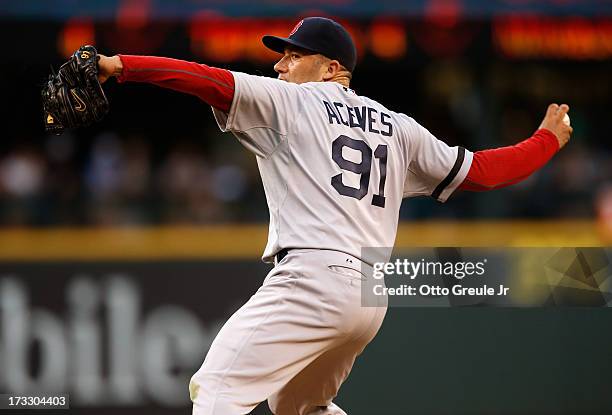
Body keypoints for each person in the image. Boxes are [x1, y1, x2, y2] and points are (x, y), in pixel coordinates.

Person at [96, 16, 572, 415]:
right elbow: (483, 173)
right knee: (297, 407)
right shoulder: (398, 128)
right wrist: (545, 140)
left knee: (216, 387)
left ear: (331, 68)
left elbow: (208, 80)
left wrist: (121, 66)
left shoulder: (292, 101)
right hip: (369, 295)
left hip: (311, 278)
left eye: (293, 55)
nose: (280, 65)